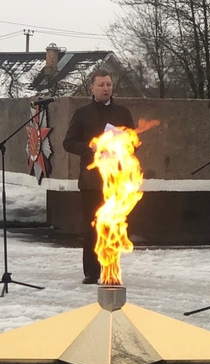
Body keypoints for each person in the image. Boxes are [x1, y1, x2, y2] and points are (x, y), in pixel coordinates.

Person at [63, 69, 135, 284]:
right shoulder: (82, 113)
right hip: (92, 180)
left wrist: (124, 147)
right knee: (92, 225)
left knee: (114, 224)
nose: (106, 88)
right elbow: (68, 143)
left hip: (117, 180)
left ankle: (111, 269)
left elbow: (134, 141)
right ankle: (92, 272)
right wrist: (91, 147)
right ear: (92, 88)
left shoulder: (123, 112)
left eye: (109, 85)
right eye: (101, 85)